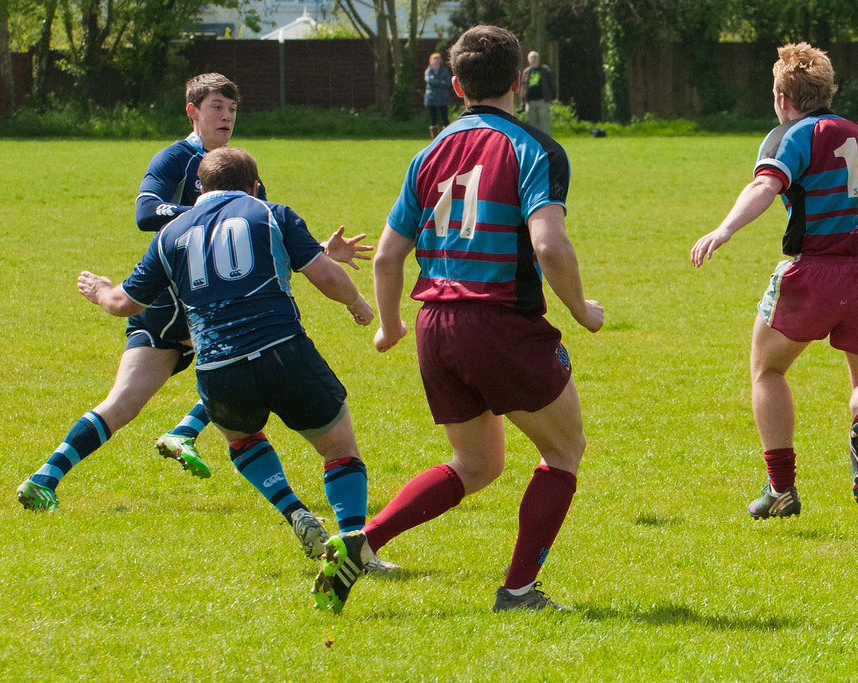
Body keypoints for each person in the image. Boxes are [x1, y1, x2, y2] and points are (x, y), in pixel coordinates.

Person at [312, 25, 603, 615]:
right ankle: (518, 591)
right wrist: (581, 310)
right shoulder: (534, 148)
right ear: (520, 79)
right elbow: (548, 246)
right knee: (564, 452)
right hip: (498, 322)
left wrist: (388, 325)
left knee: (477, 463)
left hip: (434, 328)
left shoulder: (429, 151)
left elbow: (390, 255)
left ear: (455, 83)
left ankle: (361, 542)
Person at [17, 73, 369, 513]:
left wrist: (319, 250)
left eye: (233, 110)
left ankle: (49, 476)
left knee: (176, 386)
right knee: (232, 358)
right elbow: (147, 212)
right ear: (193, 111)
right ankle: (172, 435)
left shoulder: (241, 170)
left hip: (193, 303)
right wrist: (209, 213)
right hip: (173, 304)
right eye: (217, 107)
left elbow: (257, 248)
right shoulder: (175, 158)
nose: (227, 117)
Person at [74, 146, 384, 563]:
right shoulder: (271, 212)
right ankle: (354, 548)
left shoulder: (170, 234)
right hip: (282, 352)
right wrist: (358, 304)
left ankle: (294, 511)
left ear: (199, 188)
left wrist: (98, 291)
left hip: (218, 368)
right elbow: (326, 275)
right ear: (253, 186)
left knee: (242, 439)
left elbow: (124, 304)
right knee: (338, 448)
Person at [689, 43, 858, 519]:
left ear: (783, 97)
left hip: (817, 271)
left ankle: (780, 490)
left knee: (767, 369)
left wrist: (724, 229)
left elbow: (766, 185)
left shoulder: (791, 133)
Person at [519, 50, 556, 136]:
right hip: (530, 102)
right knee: (533, 125)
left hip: (542, 101)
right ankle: (535, 144)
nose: (533, 60)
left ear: (538, 59)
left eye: (535, 58)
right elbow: (523, 87)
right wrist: (523, 103)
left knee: (544, 123)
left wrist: (553, 97)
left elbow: (552, 84)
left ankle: (547, 143)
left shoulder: (545, 70)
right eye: (531, 58)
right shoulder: (526, 72)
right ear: (529, 60)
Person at [424, 52, 452, 139]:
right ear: (431, 61)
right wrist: (440, 82)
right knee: (433, 118)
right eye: (434, 60)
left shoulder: (444, 71)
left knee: (445, 118)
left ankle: (447, 136)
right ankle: (434, 138)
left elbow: (448, 82)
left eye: (437, 60)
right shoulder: (429, 71)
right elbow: (430, 81)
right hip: (432, 98)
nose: (436, 62)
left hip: (443, 98)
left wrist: (437, 82)